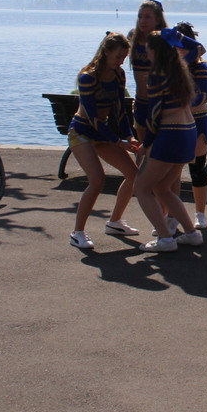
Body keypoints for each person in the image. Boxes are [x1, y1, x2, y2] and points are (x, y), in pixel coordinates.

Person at [135, 28, 205, 252]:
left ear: (157, 51)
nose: (147, 55)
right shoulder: (182, 69)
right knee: (164, 188)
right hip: (188, 133)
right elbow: (196, 47)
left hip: (170, 134)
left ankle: (165, 238)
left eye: (149, 50)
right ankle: (192, 234)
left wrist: (146, 144)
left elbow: (154, 114)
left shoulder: (157, 75)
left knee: (142, 187)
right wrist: (174, 36)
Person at [68, 32, 141, 249]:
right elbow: (92, 117)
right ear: (106, 51)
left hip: (102, 133)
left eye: (124, 58)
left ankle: (115, 222)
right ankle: (77, 232)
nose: (121, 62)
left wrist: (128, 135)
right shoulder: (88, 77)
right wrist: (119, 142)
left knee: (133, 175)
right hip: (81, 132)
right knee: (97, 179)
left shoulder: (118, 75)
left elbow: (120, 110)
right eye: (118, 56)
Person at [175, 21, 207, 229]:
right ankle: (172, 214)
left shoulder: (201, 66)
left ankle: (200, 214)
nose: (177, 49)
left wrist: (181, 103)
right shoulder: (170, 67)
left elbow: (204, 94)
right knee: (173, 171)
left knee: (197, 170)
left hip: (198, 121)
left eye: (182, 45)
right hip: (176, 123)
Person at [127, 0, 168, 146]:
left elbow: (198, 50)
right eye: (140, 16)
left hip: (159, 101)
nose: (142, 20)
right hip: (141, 100)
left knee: (158, 147)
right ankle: (140, 169)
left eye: (147, 17)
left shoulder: (165, 38)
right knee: (142, 146)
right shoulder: (133, 36)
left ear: (157, 19)